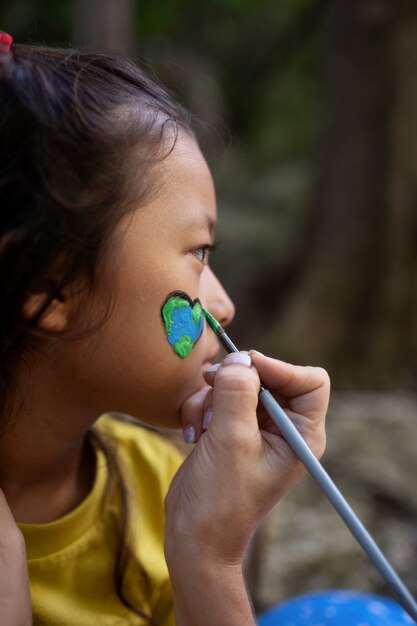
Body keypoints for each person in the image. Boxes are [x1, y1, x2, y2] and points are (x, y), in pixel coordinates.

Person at [0, 34, 332, 626]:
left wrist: (208, 558)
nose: (223, 306)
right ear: (50, 287)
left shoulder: (169, 491)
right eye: (199, 254)